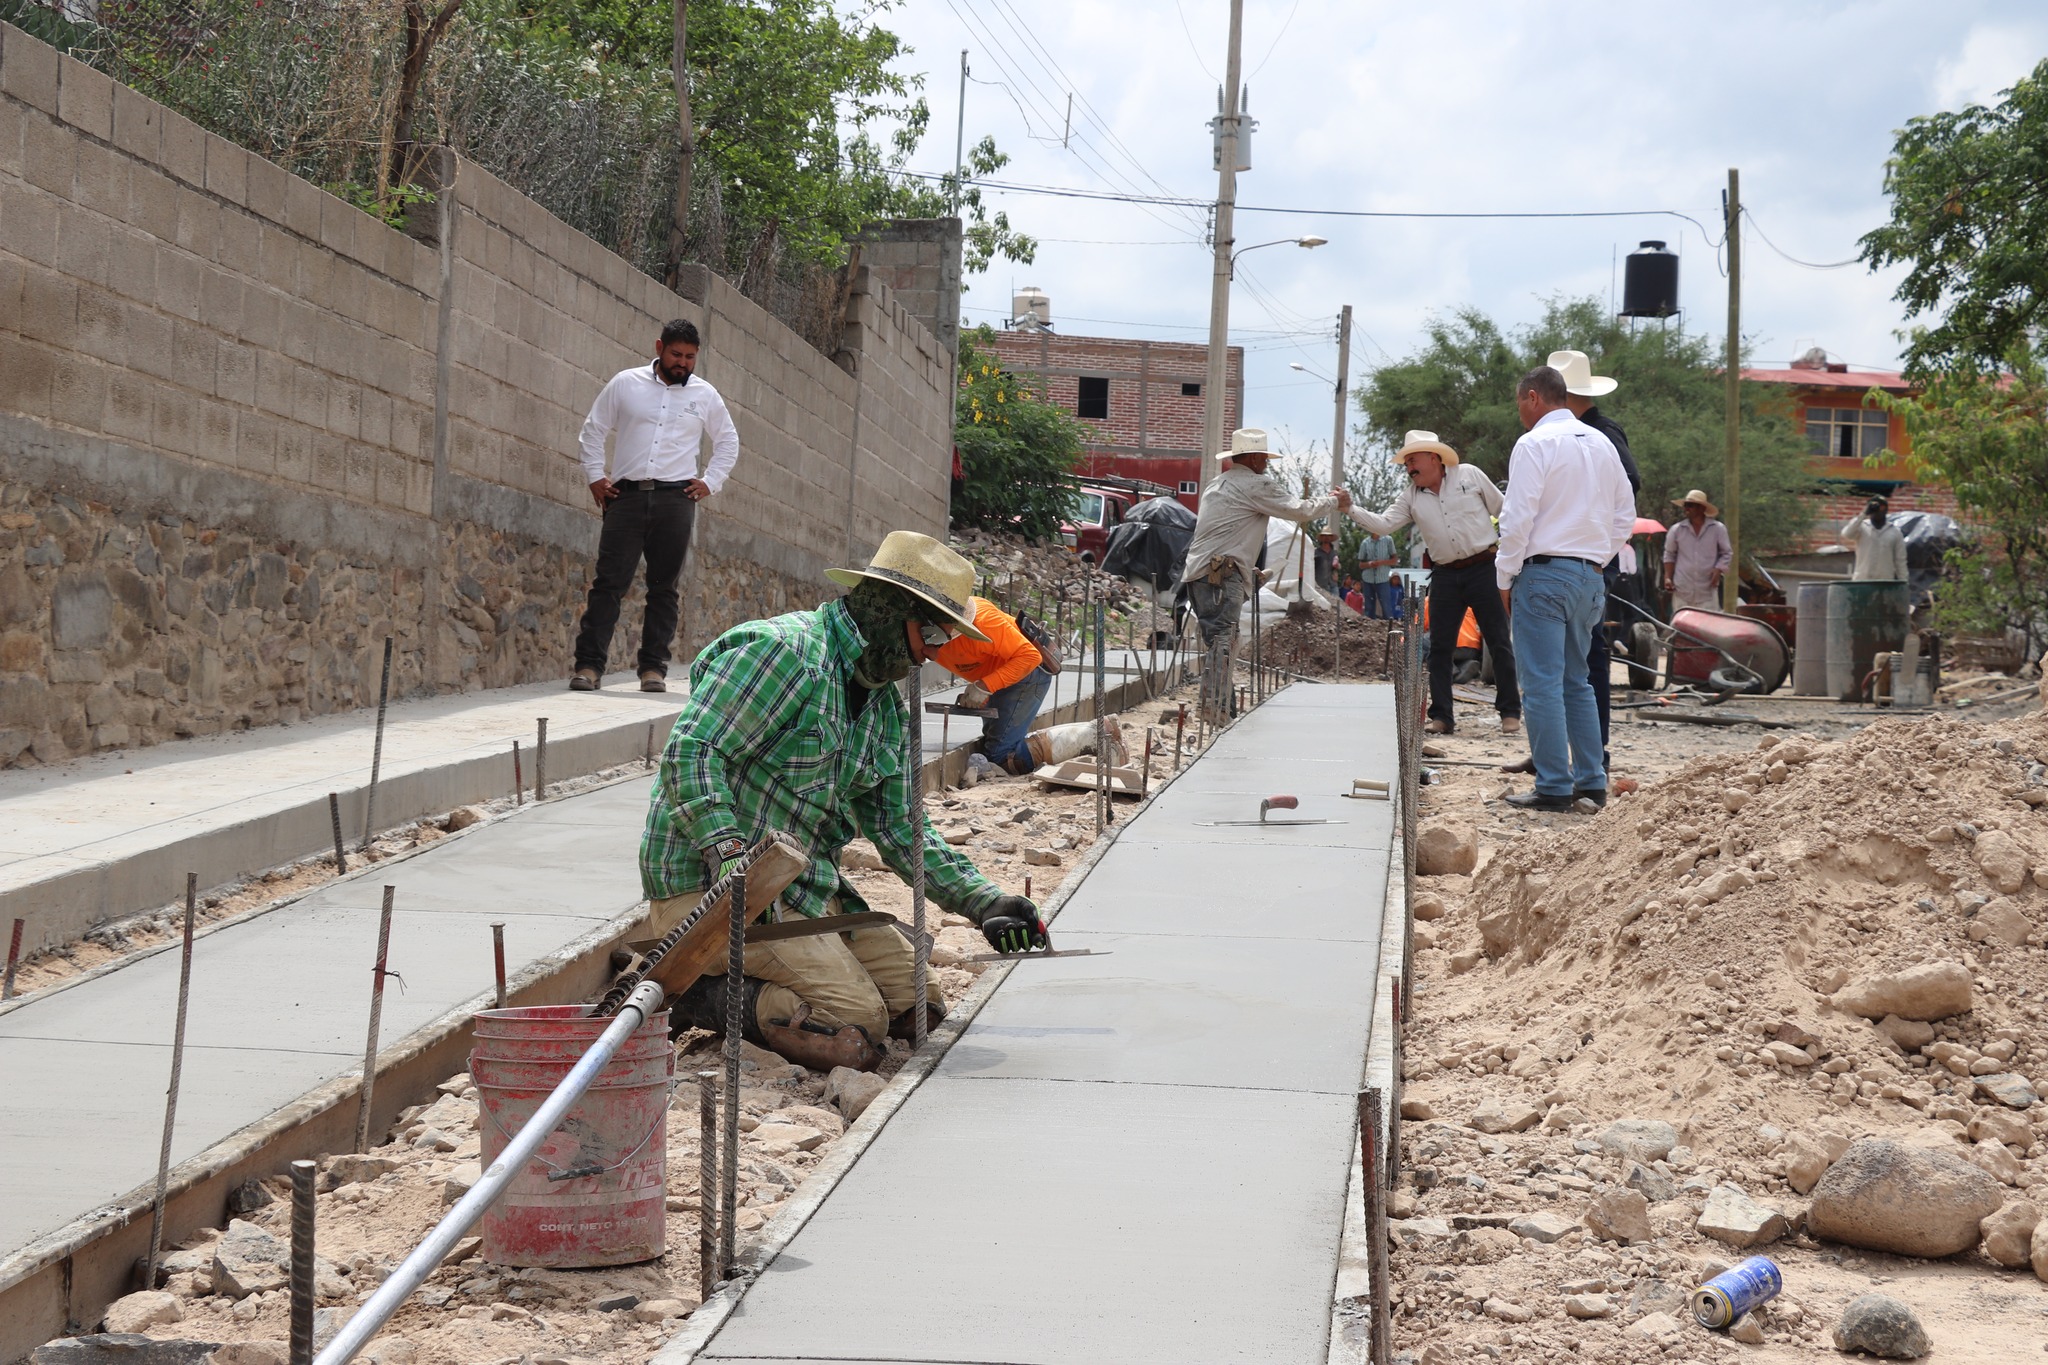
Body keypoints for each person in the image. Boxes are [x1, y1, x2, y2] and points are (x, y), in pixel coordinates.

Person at [645, 531, 1049, 1071]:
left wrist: (985, 903)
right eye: (931, 631)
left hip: (805, 892)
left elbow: (902, 828)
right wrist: (729, 854)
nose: (934, 652)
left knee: (918, 1003)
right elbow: (691, 754)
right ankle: (701, 996)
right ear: (887, 610)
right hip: (710, 893)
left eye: (945, 636)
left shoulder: (884, 711)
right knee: (853, 1025)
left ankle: (763, 971)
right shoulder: (783, 654)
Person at [570, 319, 740, 693]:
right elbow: (593, 429)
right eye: (676, 354)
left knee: (664, 588)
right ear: (660, 347)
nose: (682, 363)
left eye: (690, 357)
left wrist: (710, 482)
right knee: (608, 583)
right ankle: (588, 667)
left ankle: (653, 670)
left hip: (675, 500)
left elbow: (728, 441)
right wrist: (595, 476)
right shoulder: (625, 383)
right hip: (625, 496)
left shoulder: (705, 395)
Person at [1496, 366, 1636, 812]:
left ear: (1534, 397)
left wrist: (1504, 575)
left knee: (1540, 683)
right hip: (1589, 577)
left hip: (1543, 573)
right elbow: (1624, 515)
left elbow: (1517, 518)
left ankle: (1554, 785)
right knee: (1579, 680)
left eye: (1521, 403)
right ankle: (1591, 780)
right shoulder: (1601, 443)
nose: (1521, 412)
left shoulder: (1533, 443)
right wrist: (1596, 558)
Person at [1345, 431, 1520, 737]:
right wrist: (1349, 508)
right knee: (1439, 648)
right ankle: (1442, 717)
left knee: (1499, 641)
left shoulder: (1470, 476)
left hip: (1483, 567)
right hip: (1445, 574)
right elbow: (1384, 524)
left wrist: (1511, 554)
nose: (1408, 467)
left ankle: (1510, 712)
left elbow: (1504, 511)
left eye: (1413, 460)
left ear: (1434, 458)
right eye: (1406, 462)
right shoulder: (1410, 496)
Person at [1179, 429, 1348, 708]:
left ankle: (1220, 707)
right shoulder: (1256, 485)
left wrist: (1247, 570)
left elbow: (1223, 532)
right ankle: (1215, 708)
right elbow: (1301, 510)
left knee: (1218, 641)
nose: (1267, 464)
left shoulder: (1216, 484)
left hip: (1198, 573)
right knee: (1224, 641)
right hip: (1221, 575)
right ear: (1255, 458)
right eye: (1264, 458)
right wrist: (1333, 501)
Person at [1549, 351, 1643, 761]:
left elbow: (1629, 486)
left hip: (1587, 560)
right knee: (1563, 659)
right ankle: (1557, 748)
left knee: (1587, 657)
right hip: (1583, 558)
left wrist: (1597, 544)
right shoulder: (1582, 433)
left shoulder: (1601, 434)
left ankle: (1593, 751)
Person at [928, 596, 1116, 774]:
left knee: (1001, 756)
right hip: (1002, 677)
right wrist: (984, 686)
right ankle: (1088, 733)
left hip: (1027, 673)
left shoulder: (983, 622)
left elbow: (1030, 657)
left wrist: (984, 686)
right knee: (995, 743)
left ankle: (1090, 736)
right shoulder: (921, 629)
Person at [1662, 490, 1733, 613]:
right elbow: (1669, 554)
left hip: (1707, 592)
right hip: (1682, 591)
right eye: (1685, 505)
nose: (1686, 509)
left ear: (1701, 508)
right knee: (1682, 629)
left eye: (1690, 505)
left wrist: (1718, 568)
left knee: (1707, 628)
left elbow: (1726, 553)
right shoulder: (1676, 530)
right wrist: (1668, 577)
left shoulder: (1718, 529)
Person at [1842, 496, 1908, 581]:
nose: (1878, 511)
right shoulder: (1861, 527)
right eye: (1875, 507)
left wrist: (1904, 581)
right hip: (1862, 580)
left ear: (1886, 509)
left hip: (1885, 581)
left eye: (1881, 507)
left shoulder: (1895, 532)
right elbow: (1847, 534)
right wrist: (1863, 514)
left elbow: (1900, 560)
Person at [1357, 530, 1398, 618]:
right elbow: (1360, 564)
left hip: (1383, 578)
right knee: (1369, 608)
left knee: (1386, 607)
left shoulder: (1388, 540)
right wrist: (1369, 564)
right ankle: (1370, 629)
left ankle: (1389, 628)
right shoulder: (1365, 543)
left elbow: (1394, 561)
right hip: (1368, 579)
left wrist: (1381, 562)